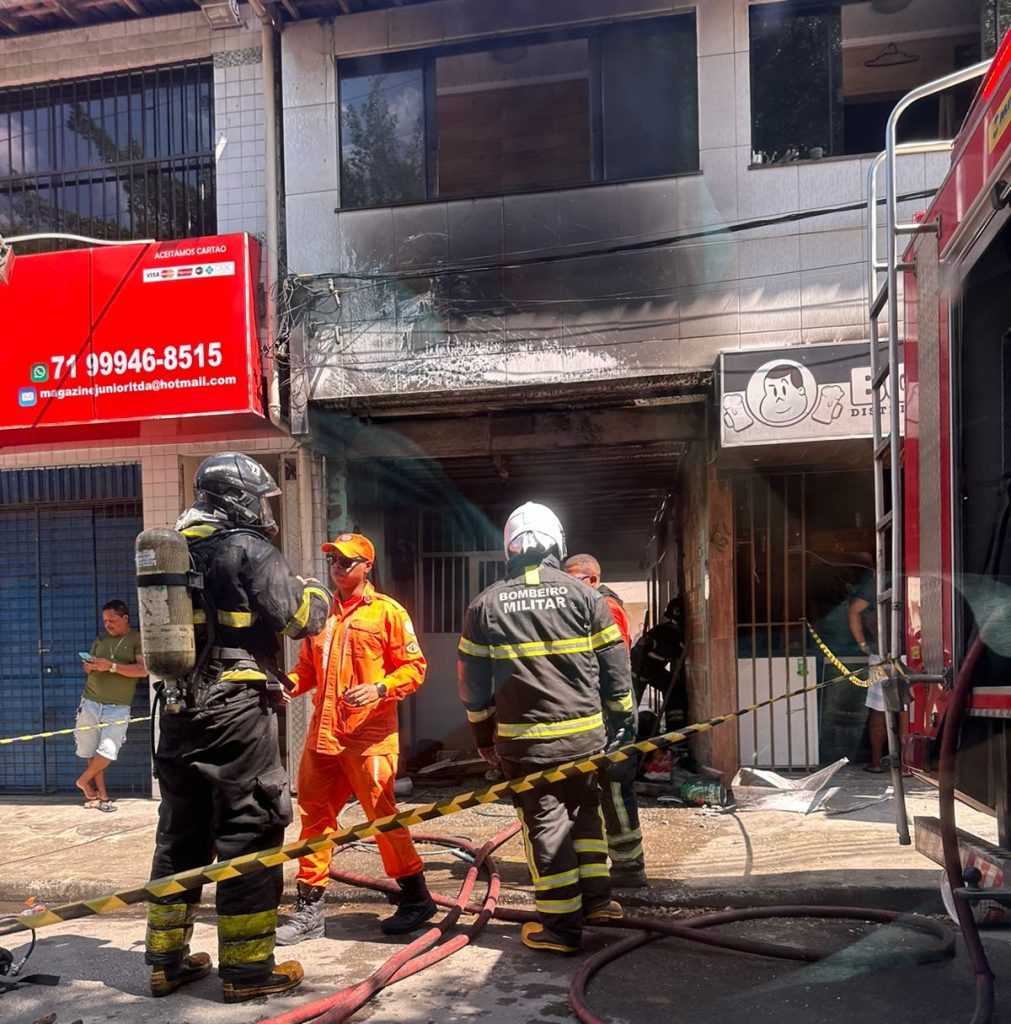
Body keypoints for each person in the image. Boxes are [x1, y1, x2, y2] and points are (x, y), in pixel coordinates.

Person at [144, 453, 329, 1004]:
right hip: (236, 712)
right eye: (260, 498)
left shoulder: (171, 554)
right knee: (250, 829)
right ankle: (247, 973)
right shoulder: (248, 549)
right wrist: (313, 589)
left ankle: (164, 963)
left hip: (177, 711)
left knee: (180, 834)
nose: (264, 508)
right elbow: (302, 620)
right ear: (237, 499)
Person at [458, 502, 636, 955]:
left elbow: (473, 685)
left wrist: (482, 737)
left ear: (509, 547)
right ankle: (598, 903)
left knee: (547, 825)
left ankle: (559, 927)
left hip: (526, 745)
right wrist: (622, 722)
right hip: (586, 739)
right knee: (586, 814)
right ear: (556, 541)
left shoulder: (486, 603)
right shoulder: (586, 597)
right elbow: (615, 665)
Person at [276, 532, 436, 945]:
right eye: (333, 560)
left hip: (370, 738)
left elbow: (415, 668)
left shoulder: (387, 613)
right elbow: (307, 670)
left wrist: (381, 688)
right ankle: (310, 909)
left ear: (367, 567)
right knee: (314, 820)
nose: (338, 567)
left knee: (383, 817)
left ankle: (416, 899)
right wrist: (286, 685)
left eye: (347, 562)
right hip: (323, 738)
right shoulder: (320, 615)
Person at [562, 554, 647, 889]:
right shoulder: (587, 605)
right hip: (596, 710)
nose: (568, 586)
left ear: (593, 579)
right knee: (592, 790)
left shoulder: (606, 607)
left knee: (614, 787)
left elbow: (614, 668)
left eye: (576, 580)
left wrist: (619, 718)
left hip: (613, 712)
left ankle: (629, 865)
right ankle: (597, 864)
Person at [74, 600, 147, 812]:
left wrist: (112, 667)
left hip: (118, 706)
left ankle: (82, 781)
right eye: (105, 620)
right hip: (90, 701)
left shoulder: (137, 639)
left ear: (125, 618)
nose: (108, 624)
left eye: (112, 620)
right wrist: (89, 666)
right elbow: (90, 670)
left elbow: (143, 671)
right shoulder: (100, 641)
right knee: (90, 750)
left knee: (108, 750)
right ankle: (101, 797)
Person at [847, 570, 905, 774]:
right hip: (913, 652)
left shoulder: (876, 582)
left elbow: (854, 610)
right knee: (908, 711)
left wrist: (863, 643)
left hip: (882, 654)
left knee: (879, 711)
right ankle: (907, 763)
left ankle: (876, 762)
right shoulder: (916, 577)